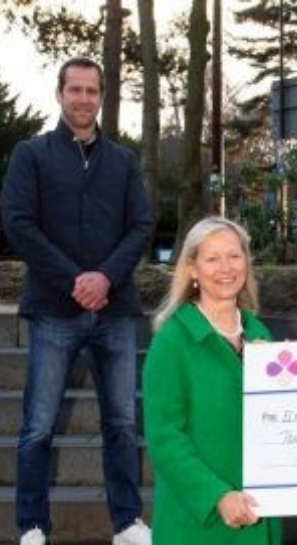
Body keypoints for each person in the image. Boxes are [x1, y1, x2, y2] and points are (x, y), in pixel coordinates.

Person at [1, 57, 153, 545]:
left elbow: (142, 226)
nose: (84, 98)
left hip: (116, 311)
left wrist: (106, 277)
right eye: (75, 90)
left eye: (92, 90)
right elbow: (19, 223)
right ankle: (32, 526)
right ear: (60, 94)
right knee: (38, 427)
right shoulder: (31, 155)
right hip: (54, 310)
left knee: (123, 425)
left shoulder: (124, 161)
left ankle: (127, 521)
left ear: (101, 96)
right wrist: (75, 280)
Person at [143, 217, 282, 545]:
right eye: (212, 258)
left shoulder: (262, 335)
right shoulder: (172, 341)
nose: (226, 268)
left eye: (234, 256)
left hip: (259, 515)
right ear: (192, 269)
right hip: (197, 522)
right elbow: (165, 438)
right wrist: (216, 495)